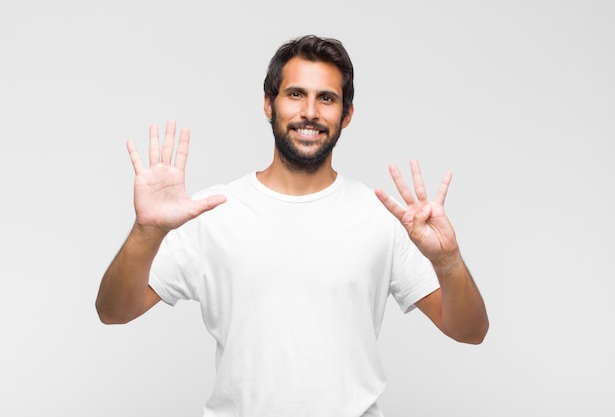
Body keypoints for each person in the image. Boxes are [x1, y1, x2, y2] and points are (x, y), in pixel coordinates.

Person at [96, 35, 488, 417]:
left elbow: (470, 331)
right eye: (295, 94)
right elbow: (113, 311)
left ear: (346, 115)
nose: (311, 112)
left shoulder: (381, 217)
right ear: (269, 104)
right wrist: (147, 232)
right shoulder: (211, 211)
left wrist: (449, 261)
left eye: (327, 98)